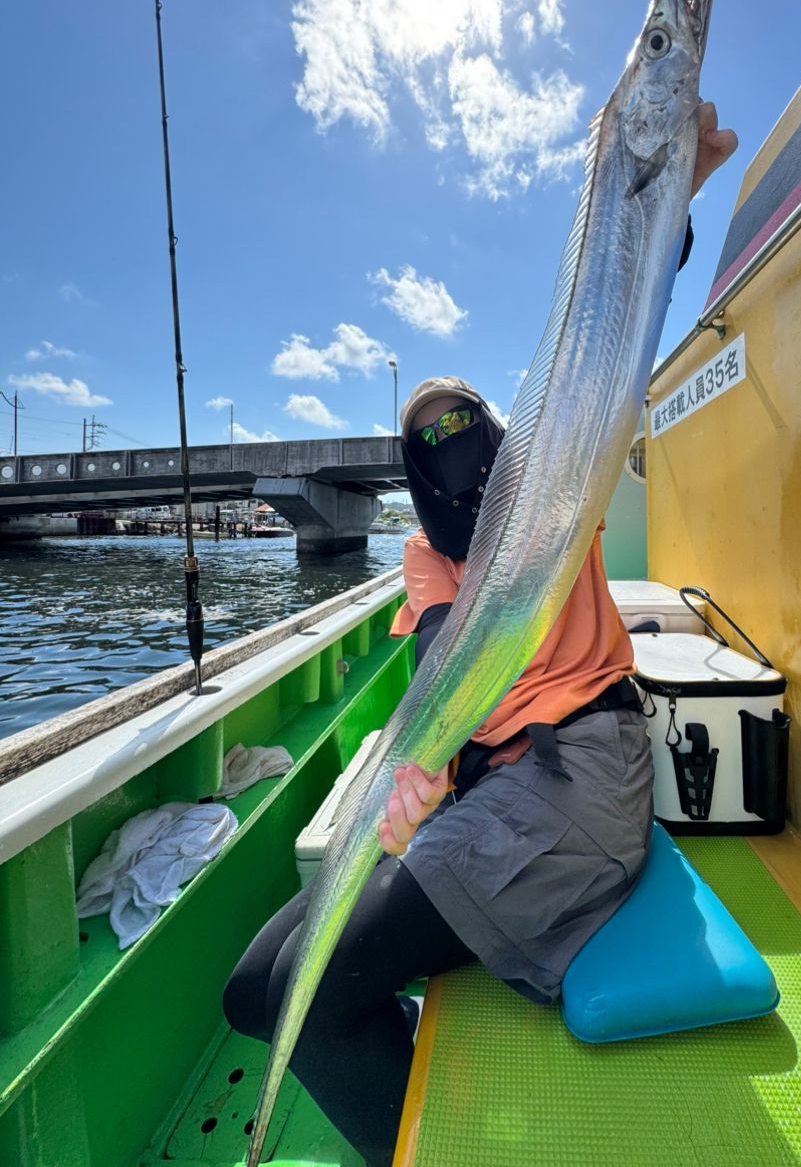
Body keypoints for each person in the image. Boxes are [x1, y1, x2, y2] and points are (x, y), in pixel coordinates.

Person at [222, 106, 737, 1167]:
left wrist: (670, 205)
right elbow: (443, 666)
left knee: (306, 1005)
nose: (454, 459)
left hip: (579, 779)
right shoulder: (426, 560)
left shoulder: (559, 487)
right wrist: (414, 770)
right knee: (249, 992)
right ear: (410, 474)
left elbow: (614, 343)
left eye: (466, 430)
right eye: (429, 447)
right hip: (490, 794)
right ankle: (415, 1073)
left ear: (503, 437)